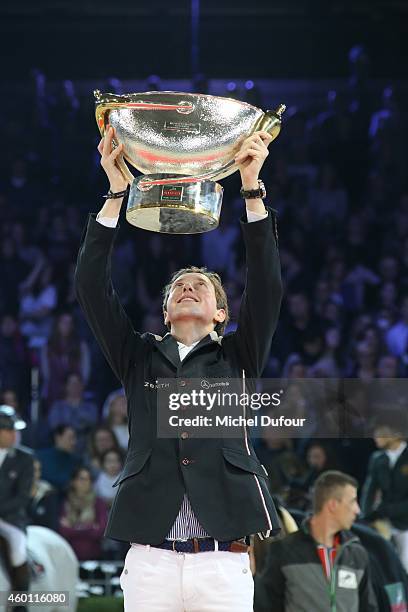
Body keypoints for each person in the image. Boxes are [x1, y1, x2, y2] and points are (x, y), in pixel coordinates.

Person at [74, 125, 282, 611]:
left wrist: (251, 189)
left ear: (222, 313)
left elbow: (267, 285)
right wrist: (115, 193)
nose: (189, 287)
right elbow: (90, 287)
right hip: (150, 561)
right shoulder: (139, 356)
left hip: (223, 561)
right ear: (165, 312)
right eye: (179, 287)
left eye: (201, 286)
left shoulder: (239, 357)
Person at [254, 470, 378, 612]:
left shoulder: (356, 554)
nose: (357, 510)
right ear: (332, 505)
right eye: (352, 501)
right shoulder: (284, 550)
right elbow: (266, 606)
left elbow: (369, 608)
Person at [360, 412, 408, 572]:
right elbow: (369, 489)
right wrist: (365, 516)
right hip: (386, 522)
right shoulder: (377, 458)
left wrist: (388, 510)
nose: (376, 436)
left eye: (381, 432)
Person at [0, 405, 34, 612]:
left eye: (16, 430)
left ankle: (19, 606)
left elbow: (23, 497)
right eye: (10, 430)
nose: (15, 435)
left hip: (10, 519)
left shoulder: (25, 458)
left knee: (18, 553)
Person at [58, 466, 108, 561]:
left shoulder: (98, 503)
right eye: (81, 479)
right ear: (73, 482)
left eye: (88, 479)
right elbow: (63, 531)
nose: (85, 482)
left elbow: (100, 531)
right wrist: (90, 527)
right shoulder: (65, 503)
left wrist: (73, 528)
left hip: (94, 557)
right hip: (70, 557)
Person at [36, 424, 81, 494]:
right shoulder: (40, 456)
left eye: (75, 438)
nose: (74, 442)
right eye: (70, 438)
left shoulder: (76, 461)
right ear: (58, 437)